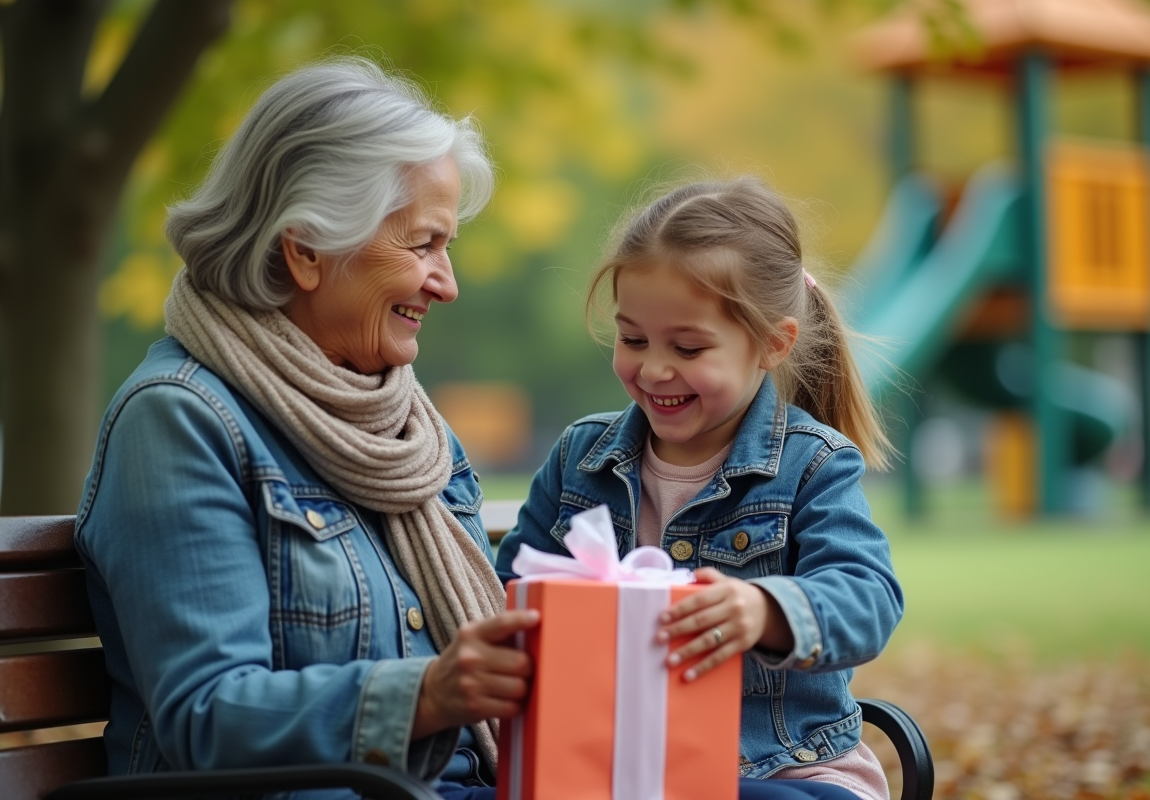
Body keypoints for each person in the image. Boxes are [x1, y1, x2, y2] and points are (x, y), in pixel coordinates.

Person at [74, 58, 537, 800]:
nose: (447, 283)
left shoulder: (406, 424)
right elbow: (207, 717)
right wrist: (428, 694)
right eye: (423, 245)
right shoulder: (179, 422)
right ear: (308, 250)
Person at [496, 176, 904, 800]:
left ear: (772, 343)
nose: (654, 368)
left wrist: (766, 610)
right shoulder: (580, 458)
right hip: (613, 768)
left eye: (687, 347)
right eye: (633, 339)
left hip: (784, 769)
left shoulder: (813, 464)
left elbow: (868, 598)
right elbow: (504, 592)